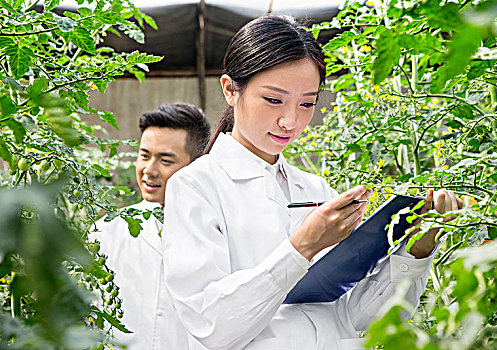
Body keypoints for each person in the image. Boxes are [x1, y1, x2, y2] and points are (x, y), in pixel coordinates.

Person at [161, 15, 462, 350]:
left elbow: (359, 317)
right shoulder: (195, 187)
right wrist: (302, 246)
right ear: (231, 90)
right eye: (274, 100)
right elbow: (211, 325)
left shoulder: (315, 190)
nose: (290, 121)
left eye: (307, 103)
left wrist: (419, 246)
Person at [90, 103, 210, 349]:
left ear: (196, 166)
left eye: (165, 160)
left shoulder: (216, 230)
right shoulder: (107, 230)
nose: (149, 170)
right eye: (144, 156)